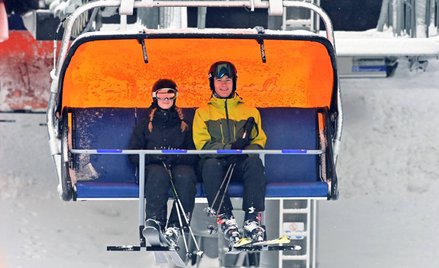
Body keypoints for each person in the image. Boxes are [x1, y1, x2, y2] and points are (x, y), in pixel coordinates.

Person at [192, 61, 267, 243]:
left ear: (234, 82)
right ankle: (224, 216)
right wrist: (229, 149)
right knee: (210, 165)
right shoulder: (203, 113)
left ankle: (252, 217)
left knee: (255, 163)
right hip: (216, 165)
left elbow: (259, 141)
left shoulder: (250, 112)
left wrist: (242, 152)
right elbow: (202, 146)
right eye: (219, 80)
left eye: (228, 80)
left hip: (239, 164)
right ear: (213, 83)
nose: (224, 85)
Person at [128, 79, 198, 247]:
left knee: (186, 175)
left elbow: (194, 154)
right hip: (155, 167)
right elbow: (134, 153)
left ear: (175, 97)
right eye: (161, 95)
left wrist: (177, 156)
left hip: (178, 166)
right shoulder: (146, 124)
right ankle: (155, 221)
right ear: (155, 97)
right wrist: (153, 156)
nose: (166, 100)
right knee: (157, 174)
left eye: (170, 95)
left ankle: (176, 226)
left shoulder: (183, 125)